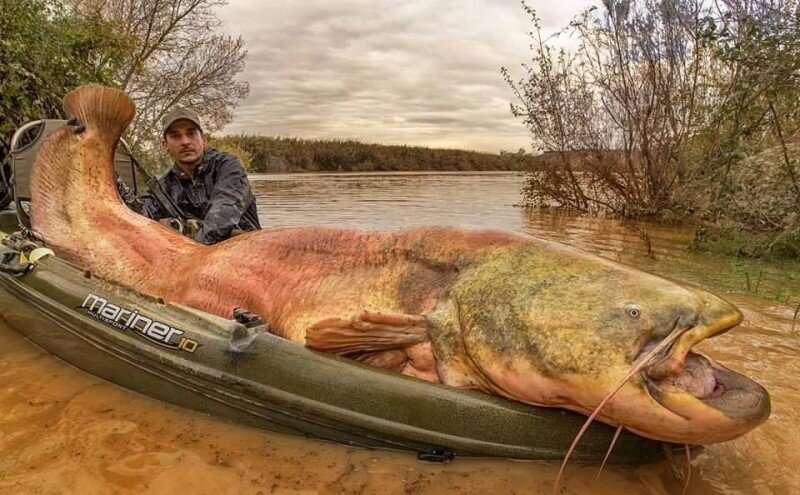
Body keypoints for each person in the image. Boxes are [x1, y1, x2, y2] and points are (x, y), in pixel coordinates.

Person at [128, 107, 261, 244]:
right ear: (165, 145)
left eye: (191, 133)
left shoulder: (228, 166)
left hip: (247, 253)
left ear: (203, 139)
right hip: (198, 259)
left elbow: (224, 213)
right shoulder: (163, 186)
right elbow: (137, 212)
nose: (185, 141)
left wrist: (195, 250)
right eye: (175, 136)